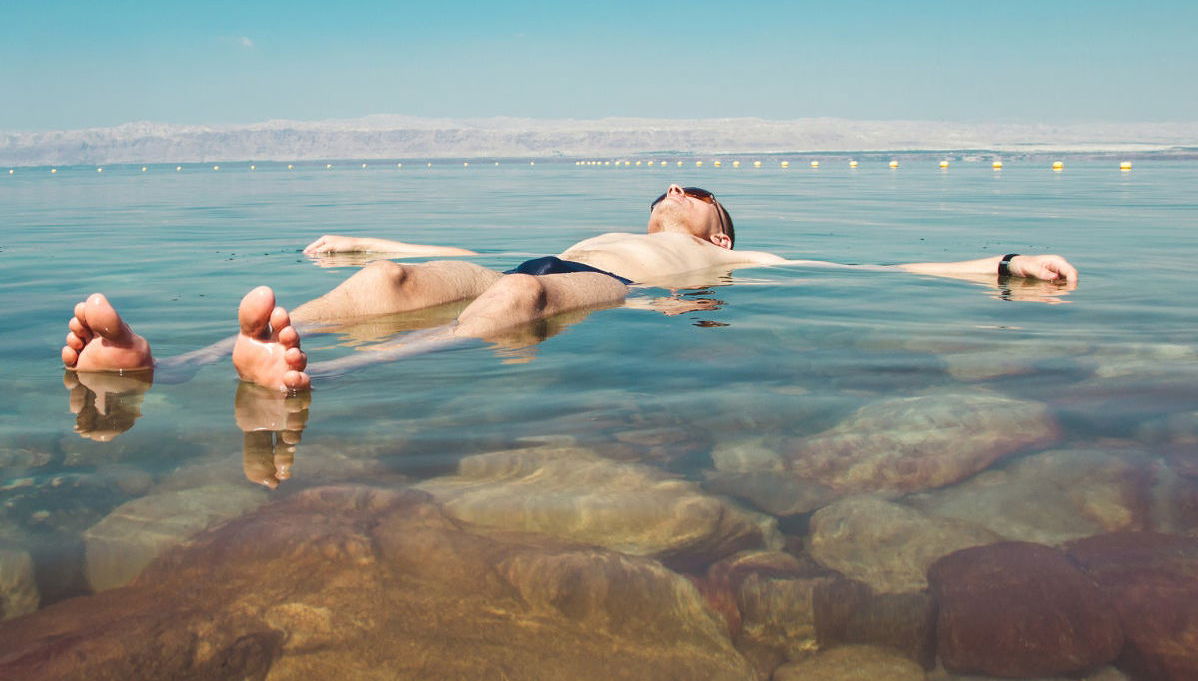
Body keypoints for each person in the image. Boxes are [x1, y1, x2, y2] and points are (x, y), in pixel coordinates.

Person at [61, 184, 1078, 393]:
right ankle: (171, 366)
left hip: (587, 289)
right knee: (396, 279)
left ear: (715, 230)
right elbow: (445, 241)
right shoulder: (610, 225)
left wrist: (995, 265)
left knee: (513, 309)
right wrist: (357, 238)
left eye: (695, 196)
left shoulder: (730, 263)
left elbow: (869, 270)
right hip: (533, 260)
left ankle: (297, 375)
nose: (676, 193)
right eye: (668, 191)